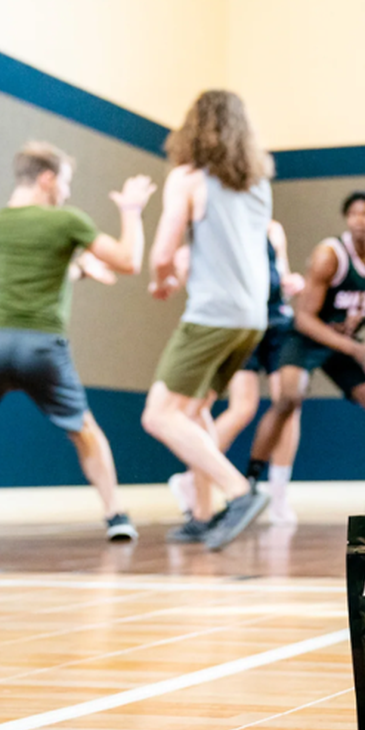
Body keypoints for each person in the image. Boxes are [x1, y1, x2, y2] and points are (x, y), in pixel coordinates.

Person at [0, 141, 152, 541]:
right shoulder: (66, 221)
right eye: (65, 182)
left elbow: (32, 276)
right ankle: (116, 516)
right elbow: (128, 260)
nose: (67, 192)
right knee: (84, 429)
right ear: (47, 179)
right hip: (40, 347)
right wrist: (131, 211)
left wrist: (78, 271)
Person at [140, 89, 273, 551]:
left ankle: (238, 493)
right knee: (194, 412)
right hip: (251, 318)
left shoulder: (187, 178)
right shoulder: (258, 187)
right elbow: (225, 248)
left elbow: (163, 252)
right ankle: (201, 513)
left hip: (212, 315)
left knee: (159, 415)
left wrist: (160, 280)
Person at [246, 190, 365, 514]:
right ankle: (250, 483)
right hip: (307, 338)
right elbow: (304, 318)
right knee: (288, 399)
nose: (359, 220)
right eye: (353, 214)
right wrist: (356, 349)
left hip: (346, 346)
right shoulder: (330, 255)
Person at [167, 218, 305, 525]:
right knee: (243, 407)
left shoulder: (272, 229)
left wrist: (289, 282)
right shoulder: (217, 226)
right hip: (242, 319)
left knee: (289, 405)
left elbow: (280, 273)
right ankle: (195, 476)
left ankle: (279, 494)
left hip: (277, 321)